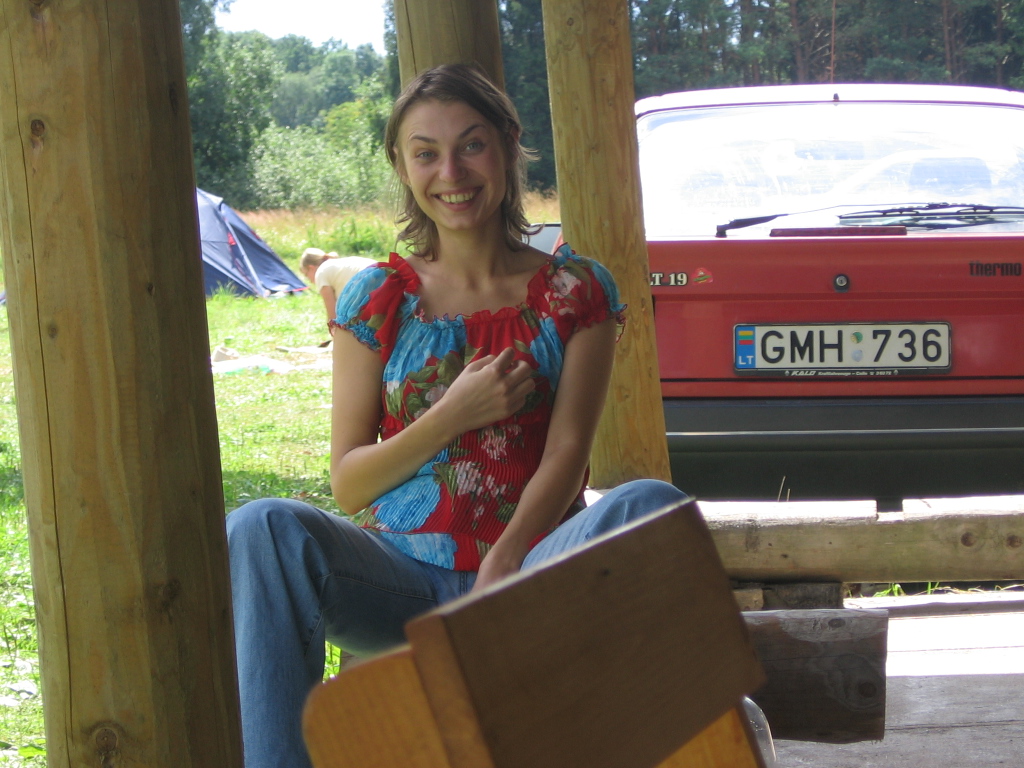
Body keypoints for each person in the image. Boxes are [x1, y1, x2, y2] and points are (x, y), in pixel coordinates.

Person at [225, 62, 687, 768]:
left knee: (652, 507)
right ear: (401, 166)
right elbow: (349, 483)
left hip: (532, 570)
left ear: (507, 145)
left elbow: (567, 455)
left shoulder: (574, 290)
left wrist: (506, 561)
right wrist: (451, 416)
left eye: (471, 145)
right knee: (262, 528)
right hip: (399, 581)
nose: (451, 172)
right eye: (426, 153)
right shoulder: (378, 297)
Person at [298, 248, 378, 328]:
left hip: (368, 283)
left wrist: (333, 332)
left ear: (311, 267)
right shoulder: (336, 265)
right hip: (381, 273)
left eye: (306, 275)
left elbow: (333, 317)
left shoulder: (320, 273)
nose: (310, 281)